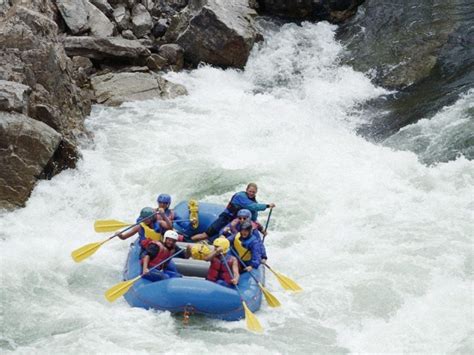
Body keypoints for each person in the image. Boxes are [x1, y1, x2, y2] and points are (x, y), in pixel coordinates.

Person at [191, 183, 275, 242]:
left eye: (253, 192)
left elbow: (253, 218)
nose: (251, 193)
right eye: (250, 191)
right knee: (206, 235)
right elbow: (252, 206)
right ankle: (190, 241)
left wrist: (261, 230)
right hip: (225, 218)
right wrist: (267, 206)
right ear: (246, 190)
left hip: (235, 222)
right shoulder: (240, 196)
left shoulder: (254, 201)